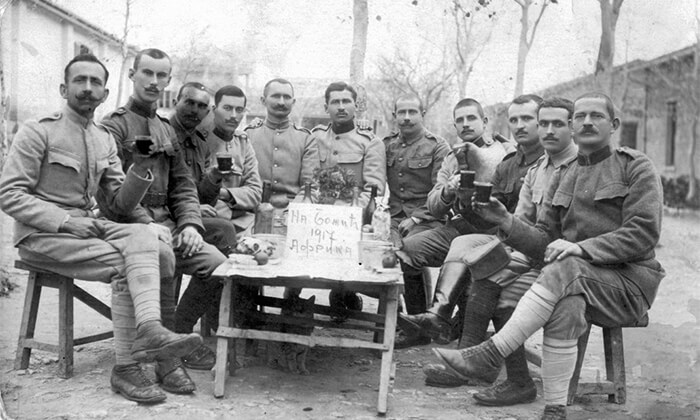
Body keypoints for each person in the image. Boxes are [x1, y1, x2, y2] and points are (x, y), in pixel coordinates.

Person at [432, 92, 665, 420]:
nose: (586, 122)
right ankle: (555, 408)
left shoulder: (635, 166)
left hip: (628, 283)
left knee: (567, 267)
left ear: (613, 125)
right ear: (574, 124)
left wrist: (582, 248)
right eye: (580, 117)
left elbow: (643, 233)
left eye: (596, 116)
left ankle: (490, 353)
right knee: (551, 302)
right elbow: (543, 240)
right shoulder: (563, 175)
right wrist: (505, 220)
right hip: (575, 281)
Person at [0, 54, 202, 404]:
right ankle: (125, 367)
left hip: (87, 227)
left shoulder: (102, 139)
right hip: (42, 235)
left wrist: (140, 169)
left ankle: (156, 340)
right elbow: (9, 194)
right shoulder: (38, 130)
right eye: (80, 80)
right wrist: (65, 221)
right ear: (64, 88)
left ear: (105, 93)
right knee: (127, 263)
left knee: (158, 246)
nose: (88, 88)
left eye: (96, 83)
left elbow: (120, 204)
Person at [423, 97, 579, 408]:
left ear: (569, 126)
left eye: (530, 120)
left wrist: (508, 238)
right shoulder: (533, 168)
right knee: (489, 268)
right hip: (530, 249)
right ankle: (477, 361)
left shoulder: (575, 167)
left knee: (495, 273)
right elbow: (519, 222)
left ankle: (488, 366)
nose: (523, 126)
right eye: (516, 120)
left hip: (566, 262)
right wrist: (470, 203)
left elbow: (563, 232)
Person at [100, 48, 228, 387]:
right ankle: (167, 361)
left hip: (166, 226)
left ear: (168, 81)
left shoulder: (165, 130)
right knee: (162, 255)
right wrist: (147, 223)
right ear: (132, 74)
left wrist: (190, 225)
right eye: (147, 73)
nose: (154, 81)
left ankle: (177, 335)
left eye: (161, 75)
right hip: (127, 226)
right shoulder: (113, 126)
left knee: (218, 265)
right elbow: (110, 192)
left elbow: (183, 186)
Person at [396, 95, 544, 348]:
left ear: (484, 122)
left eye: (471, 118)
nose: (466, 124)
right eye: (460, 120)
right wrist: (449, 191)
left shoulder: (504, 153)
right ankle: (423, 325)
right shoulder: (452, 157)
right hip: (461, 226)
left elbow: (505, 208)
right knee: (408, 250)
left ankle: (456, 327)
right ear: (454, 125)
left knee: (472, 256)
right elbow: (434, 204)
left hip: (496, 232)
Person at [311, 81, 387, 312]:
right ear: (326, 107)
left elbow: (374, 189)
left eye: (346, 101)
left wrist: (347, 215)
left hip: (354, 218)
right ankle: (292, 301)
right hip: (316, 216)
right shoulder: (315, 137)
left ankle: (344, 296)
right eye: (335, 102)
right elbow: (309, 180)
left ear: (357, 106)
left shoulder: (370, 142)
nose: (341, 106)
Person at [383, 94, 450, 338]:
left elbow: (440, 191)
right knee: (376, 251)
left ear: (423, 114)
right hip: (393, 216)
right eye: (402, 112)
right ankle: (394, 316)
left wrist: (417, 218)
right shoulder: (387, 144)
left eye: (412, 112)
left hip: (427, 217)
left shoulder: (438, 146)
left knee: (408, 250)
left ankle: (418, 323)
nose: (407, 118)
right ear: (395, 116)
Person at [244, 78, 319, 201]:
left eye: (287, 97)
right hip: (254, 205)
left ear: (293, 102)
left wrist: (294, 209)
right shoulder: (248, 135)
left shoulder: (306, 139)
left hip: (293, 207)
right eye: (276, 96)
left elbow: (310, 189)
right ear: (263, 100)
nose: (281, 102)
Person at [207, 85, 262, 239]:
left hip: (243, 223)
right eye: (227, 108)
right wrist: (238, 202)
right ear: (214, 109)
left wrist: (224, 194)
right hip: (213, 222)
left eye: (239, 110)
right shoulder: (201, 141)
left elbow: (255, 192)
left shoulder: (243, 142)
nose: (233, 116)